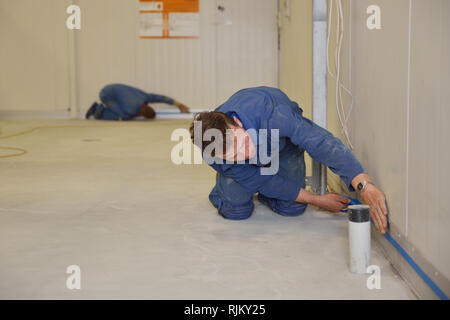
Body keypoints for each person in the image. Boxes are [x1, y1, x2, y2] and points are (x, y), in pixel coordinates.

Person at [189, 86, 388, 234]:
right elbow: (261, 179)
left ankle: (268, 196)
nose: (245, 155)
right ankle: (221, 192)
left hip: (282, 144)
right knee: (236, 212)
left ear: (238, 124)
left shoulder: (274, 116)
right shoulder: (213, 153)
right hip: (257, 160)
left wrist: (362, 183)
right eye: (234, 157)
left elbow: (319, 142)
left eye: (244, 143)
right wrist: (317, 199)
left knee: (292, 208)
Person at [86, 83, 190, 120]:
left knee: (124, 114)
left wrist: (179, 104)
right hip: (106, 95)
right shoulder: (131, 110)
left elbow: (160, 98)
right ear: (141, 114)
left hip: (111, 88)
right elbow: (127, 114)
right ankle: (96, 111)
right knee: (123, 117)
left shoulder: (145, 97)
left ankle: (98, 110)